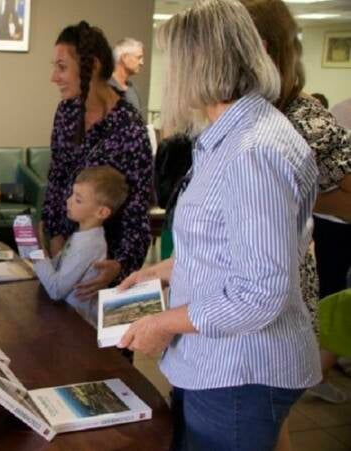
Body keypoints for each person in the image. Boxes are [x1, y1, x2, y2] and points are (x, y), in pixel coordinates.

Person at [117, 1, 321, 450]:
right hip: (216, 364)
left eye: (175, 61)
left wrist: (164, 323)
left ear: (201, 65)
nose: (170, 75)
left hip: (240, 372)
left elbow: (260, 291)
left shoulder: (253, 151)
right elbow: (224, 244)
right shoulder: (229, 136)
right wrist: (160, 271)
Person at [242, 0, 351, 420]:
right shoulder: (246, 109)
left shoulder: (305, 117)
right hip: (248, 289)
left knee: (260, 413)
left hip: (276, 294)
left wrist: (288, 194)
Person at [43, 21, 153, 299]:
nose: (53, 77)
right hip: (67, 251)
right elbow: (56, 181)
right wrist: (57, 246)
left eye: (62, 67)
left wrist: (119, 265)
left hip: (105, 268)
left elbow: (137, 212)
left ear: (91, 66)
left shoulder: (129, 127)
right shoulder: (66, 113)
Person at [33, 166, 128, 326]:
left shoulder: (89, 246)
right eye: (72, 194)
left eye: (78, 199)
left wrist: (38, 251)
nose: (68, 201)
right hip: (66, 315)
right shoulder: (81, 236)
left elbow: (56, 289)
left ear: (102, 212)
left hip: (78, 324)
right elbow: (56, 269)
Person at [110, 38, 145, 116]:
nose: (142, 63)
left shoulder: (133, 89)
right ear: (124, 58)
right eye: (139, 57)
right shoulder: (104, 88)